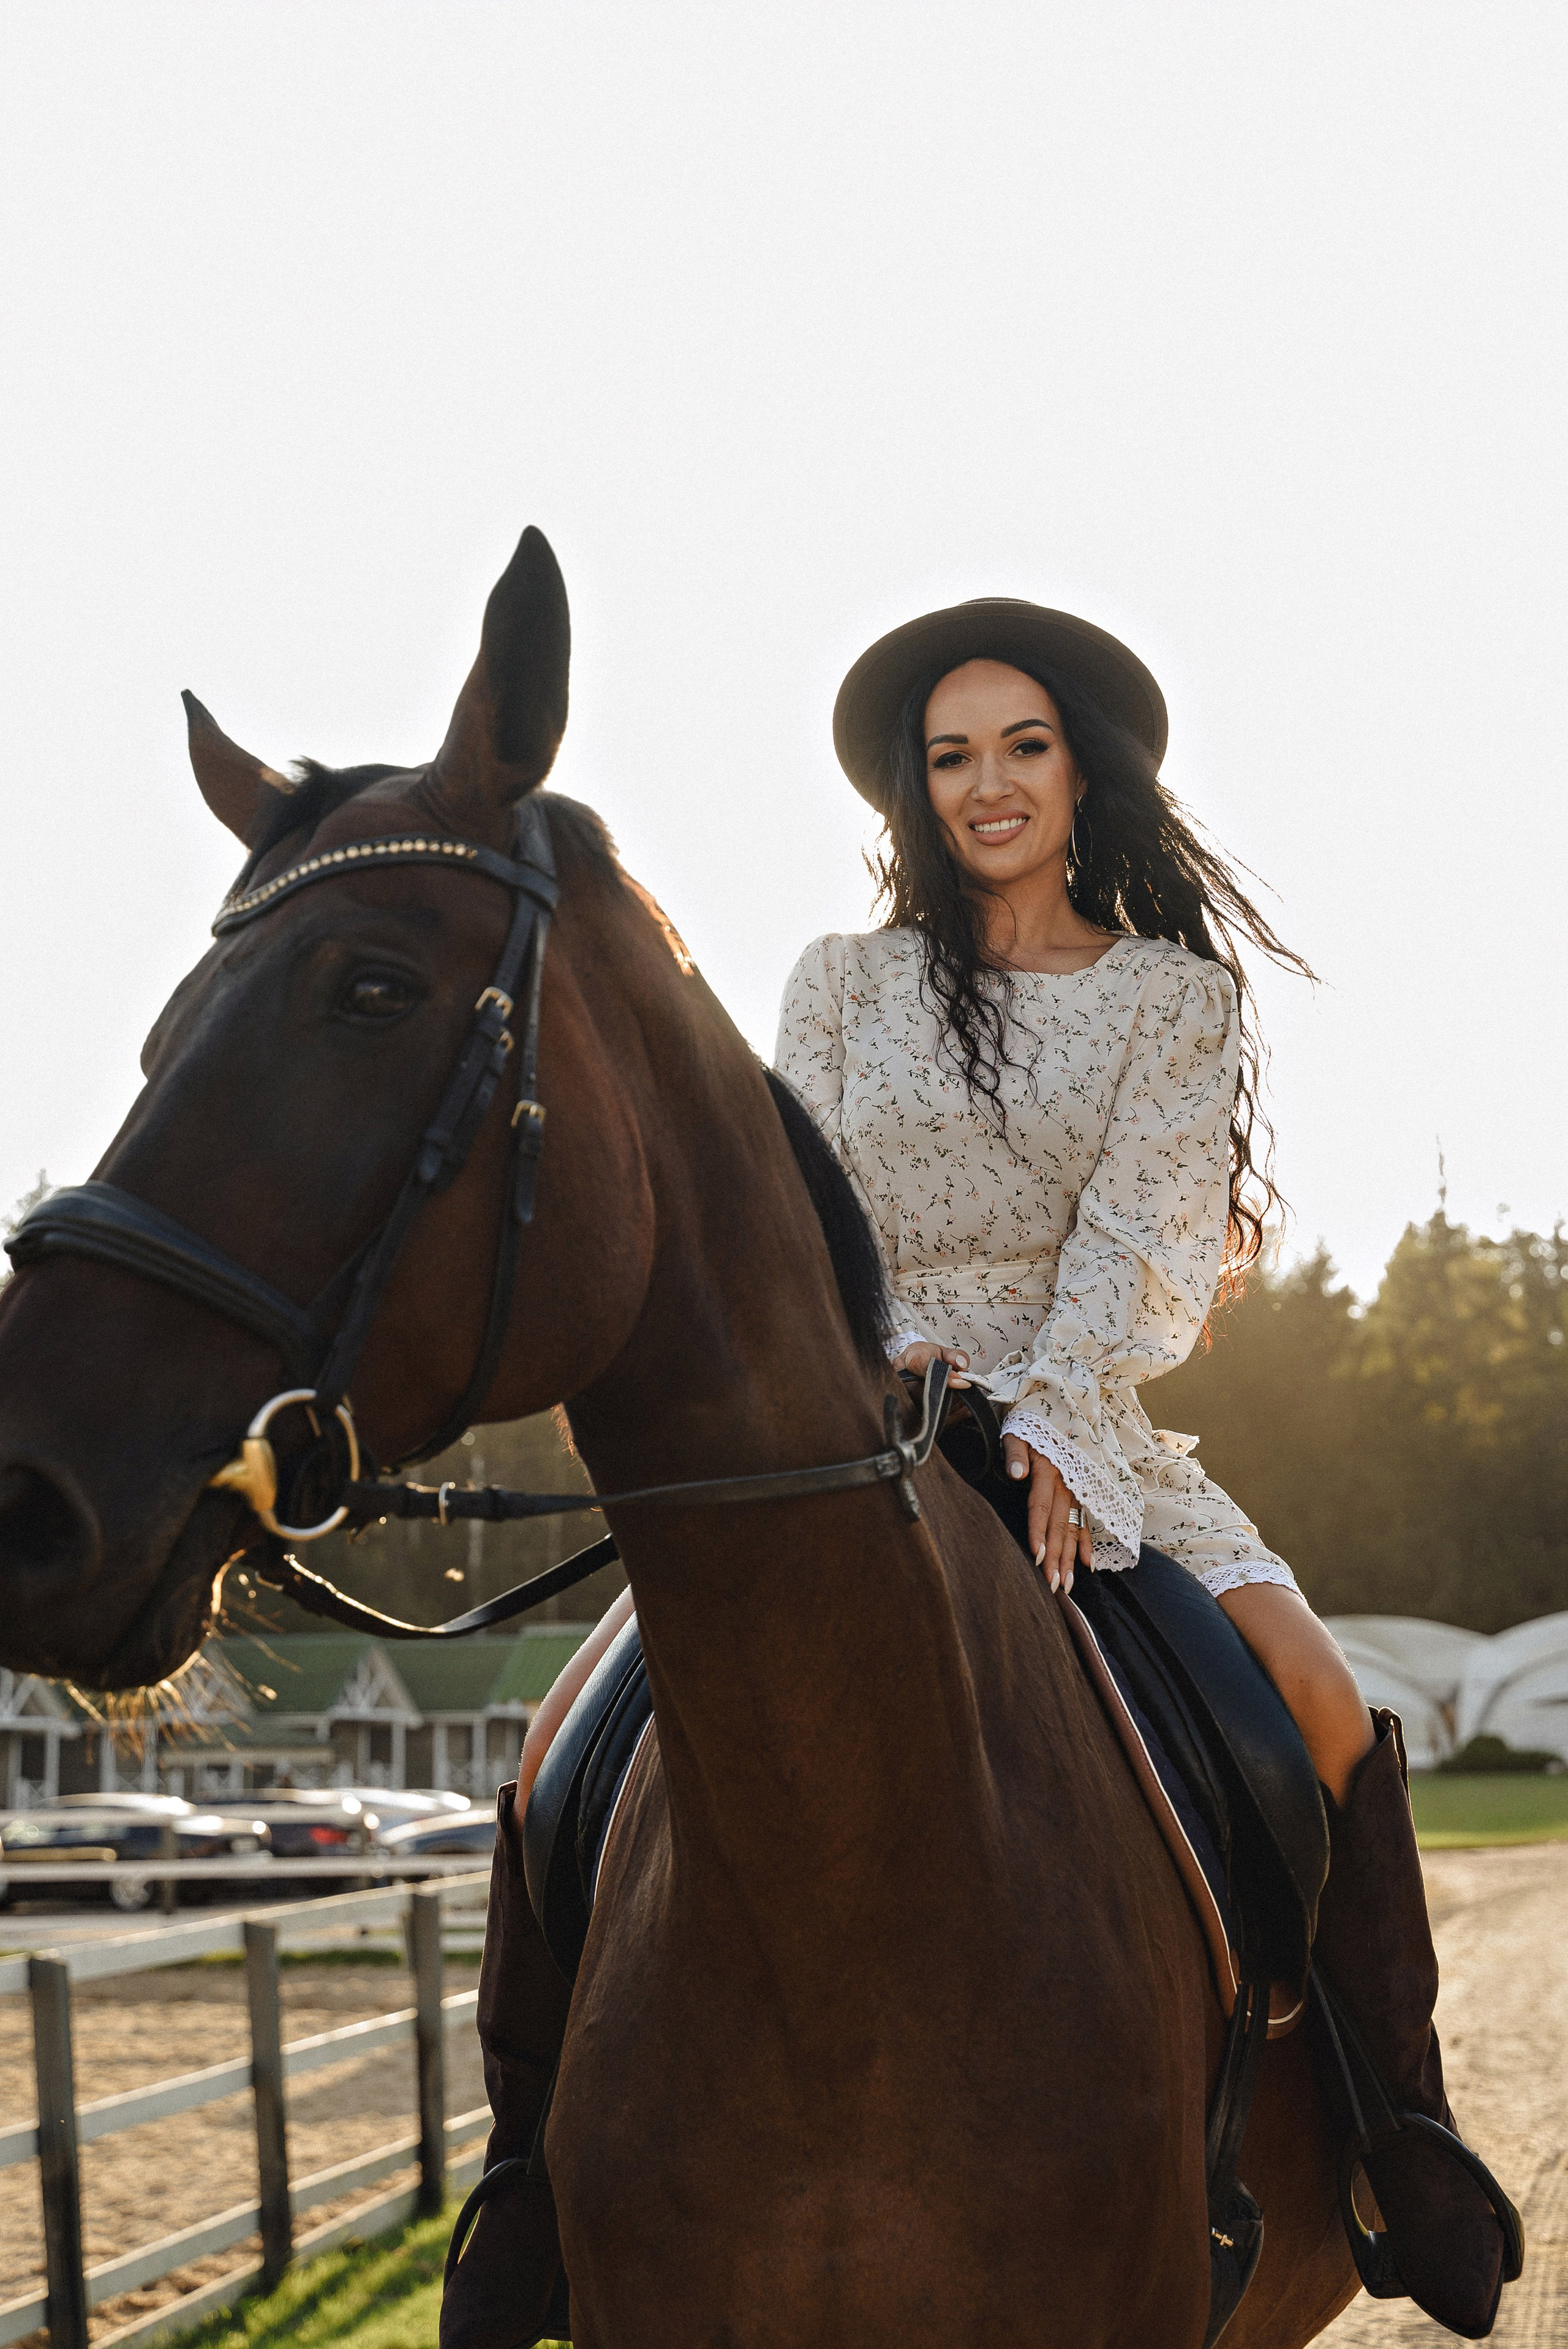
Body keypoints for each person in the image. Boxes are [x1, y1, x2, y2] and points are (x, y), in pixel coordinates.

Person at [764, 596, 1513, 2340]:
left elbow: (1150, 1244)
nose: (988, 783)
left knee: (1323, 1701)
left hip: (1081, 1409)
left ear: (1080, 769)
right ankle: (532, 2171)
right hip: (853, 1422)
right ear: (915, 788)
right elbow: (795, 1214)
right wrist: (873, 1361)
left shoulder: (1173, 1000)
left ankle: (1402, 2129)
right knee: (569, 1735)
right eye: (952, 756)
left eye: (1021, 745)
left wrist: (1056, 1426)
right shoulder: (835, 983)